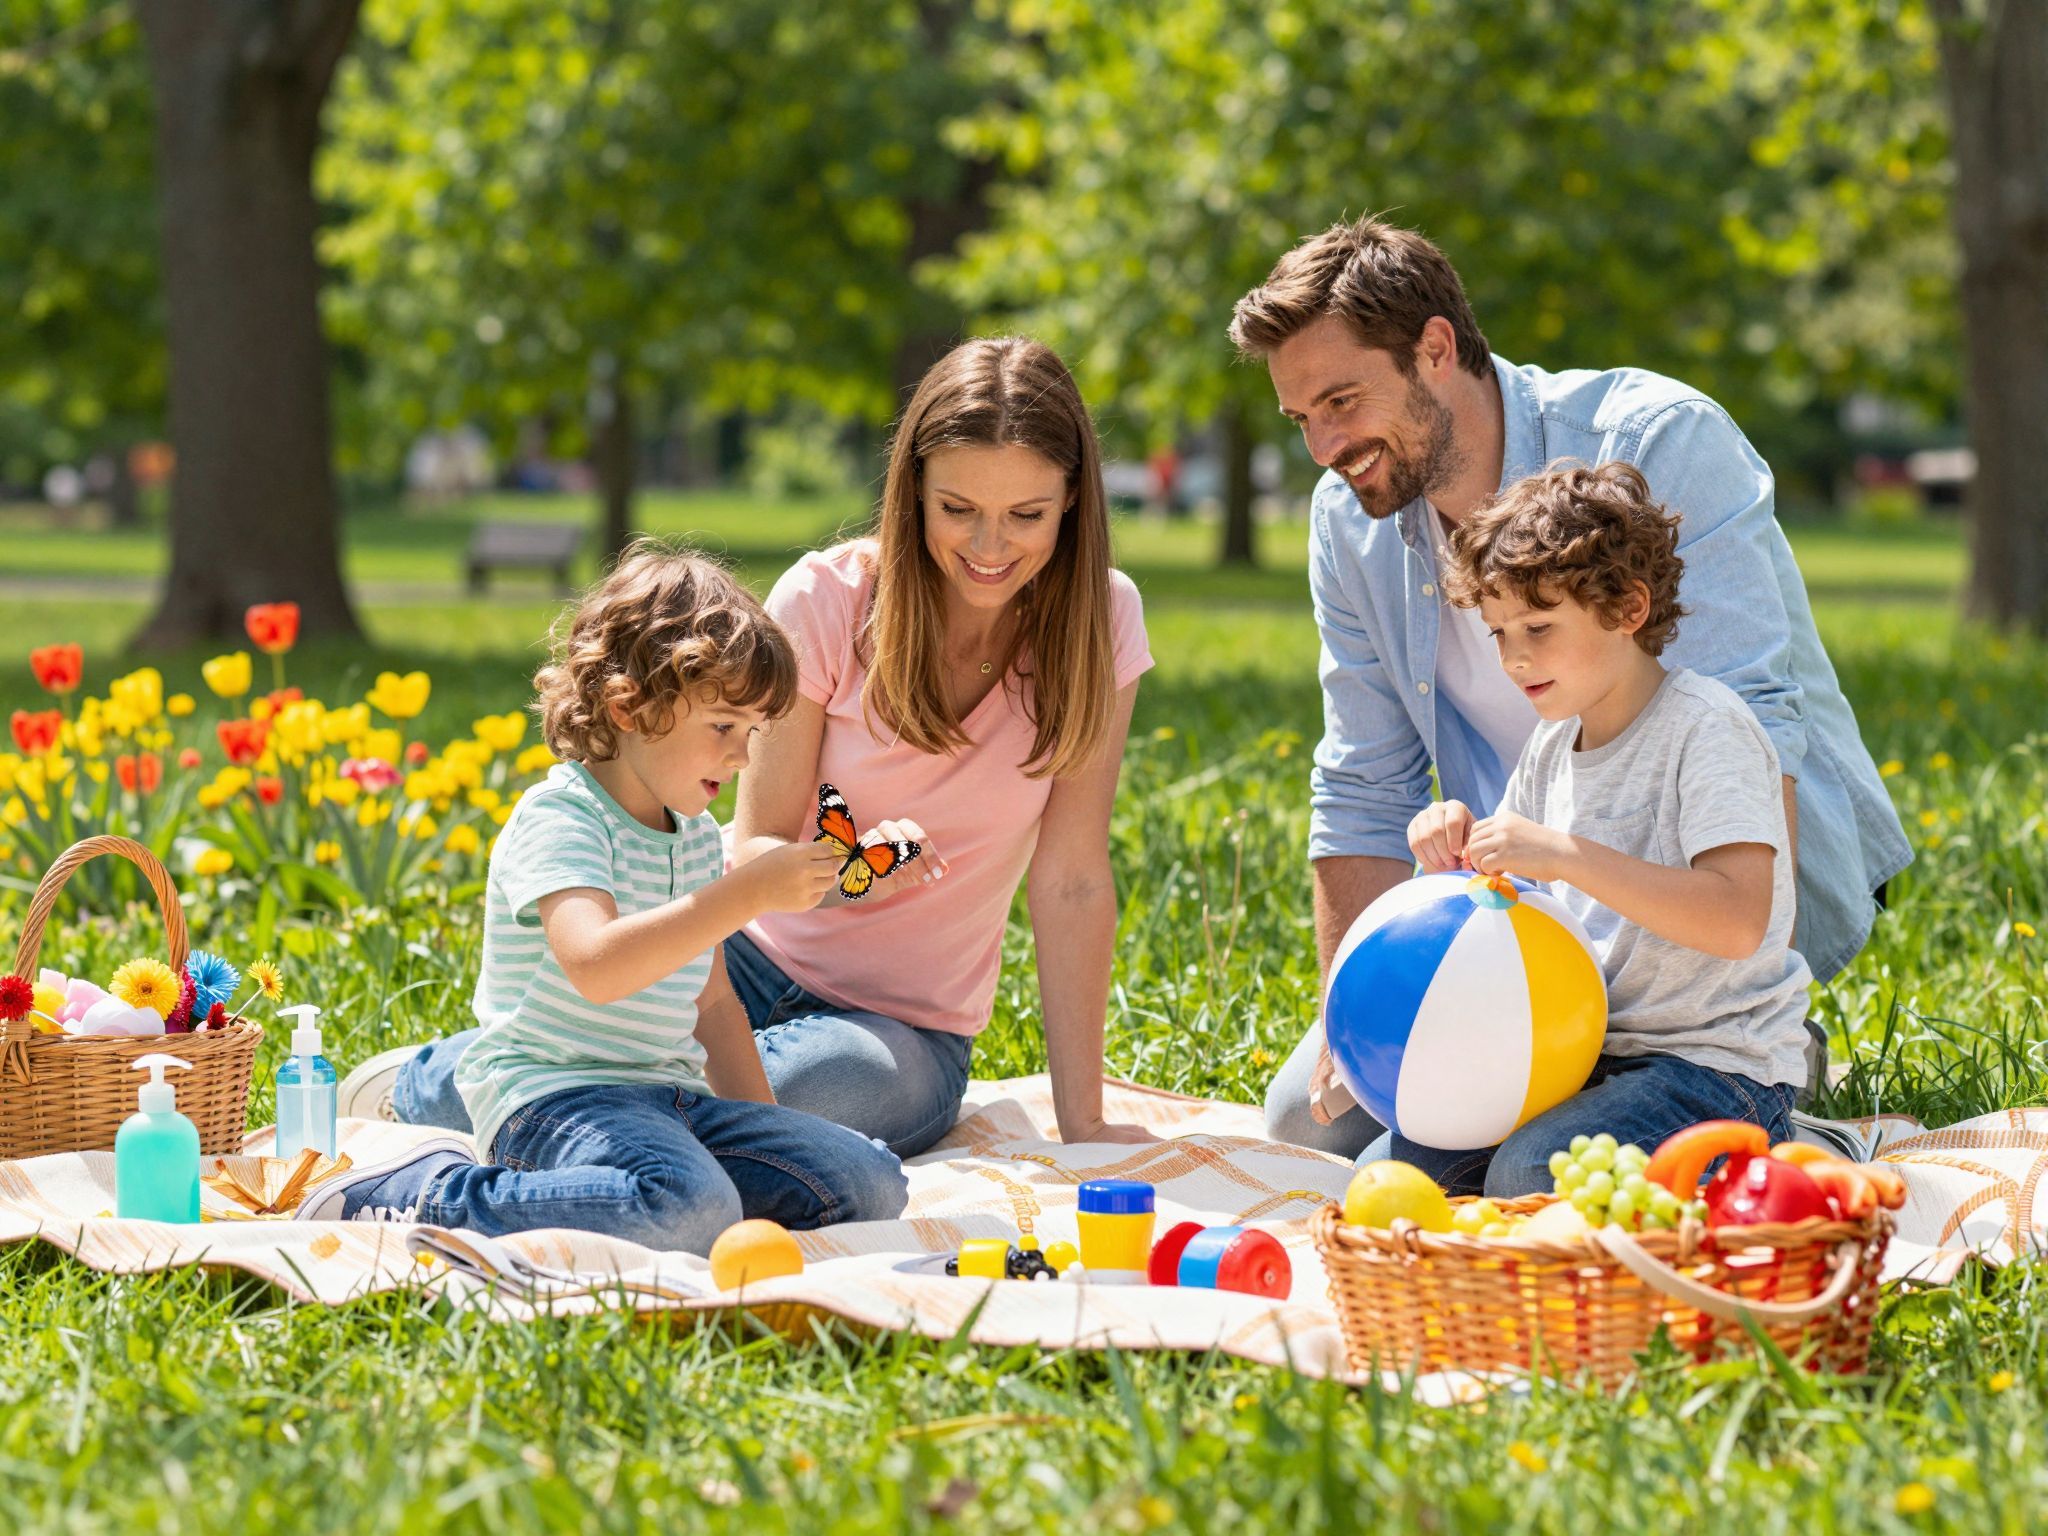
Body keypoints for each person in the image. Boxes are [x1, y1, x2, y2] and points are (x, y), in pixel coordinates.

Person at [340, 336, 1156, 1155]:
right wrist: (855, 873)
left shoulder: (1101, 623)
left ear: (1073, 500)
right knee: (683, 1086)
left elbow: (1074, 880)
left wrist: (1082, 1120)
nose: (988, 547)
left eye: (1026, 516)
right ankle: (437, 1082)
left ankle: (560, 1093)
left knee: (830, 1088)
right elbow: (758, 841)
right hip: (740, 962)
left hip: (899, 1031)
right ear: (912, 490)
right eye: (958, 509)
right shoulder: (831, 599)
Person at [1228, 217, 1911, 1157]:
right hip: (1533, 916)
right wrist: (1357, 1014)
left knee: (1536, 1166)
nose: (1324, 446)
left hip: (1702, 923)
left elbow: (1756, 737)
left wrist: (1735, 1004)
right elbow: (1362, 785)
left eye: (1341, 401)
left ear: (1435, 350)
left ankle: (1769, 1081)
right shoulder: (1347, 523)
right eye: (1302, 418)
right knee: (1307, 1125)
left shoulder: (1659, 441)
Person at [296, 549, 908, 1247]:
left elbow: (712, 1004)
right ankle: (425, 1197)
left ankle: (667, 1205)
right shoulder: (562, 818)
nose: (741, 757)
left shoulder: (694, 836)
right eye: (722, 727)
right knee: (688, 1204)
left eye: (750, 733)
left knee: (868, 1181)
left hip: (671, 1100)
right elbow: (596, 966)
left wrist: (770, 1135)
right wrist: (743, 895)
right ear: (628, 708)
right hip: (553, 1099)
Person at [1368, 462, 1808, 1193]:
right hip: (1579, 1057)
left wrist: (1566, 855)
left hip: (1715, 1069)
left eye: (1538, 627)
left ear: (1628, 608)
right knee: (1396, 1170)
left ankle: (1779, 1150)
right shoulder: (1553, 744)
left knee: (1529, 1174)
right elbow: (1520, 901)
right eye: (1499, 633)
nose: (1514, 659)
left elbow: (1738, 921)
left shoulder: (1708, 729)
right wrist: (1456, 850)